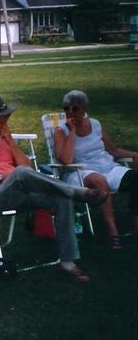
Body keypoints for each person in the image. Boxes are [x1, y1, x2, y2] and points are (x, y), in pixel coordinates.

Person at [0, 96, 109, 283]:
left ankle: (68, 262)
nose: (6, 126)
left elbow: (27, 168)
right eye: (3, 121)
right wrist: (1, 176)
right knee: (19, 174)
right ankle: (80, 193)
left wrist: (10, 141)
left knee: (61, 198)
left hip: (21, 193)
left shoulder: (3, 140)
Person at [54, 90, 138, 249]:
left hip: (107, 167)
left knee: (135, 178)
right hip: (78, 172)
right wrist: (72, 131)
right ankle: (113, 232)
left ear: (84, 108)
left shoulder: (96, 124)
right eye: (66, 108)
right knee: (99, 180)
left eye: (75, 108)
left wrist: (134, 155)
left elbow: (112, 150)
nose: (70, 112)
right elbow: (66, 160)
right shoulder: (61, 131)